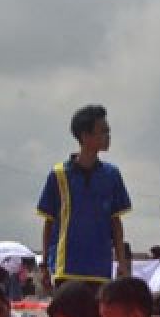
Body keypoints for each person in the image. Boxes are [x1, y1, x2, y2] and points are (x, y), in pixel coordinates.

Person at [37, 104, 132, 287]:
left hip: (100, 268)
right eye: (103, 131)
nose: (108, 136)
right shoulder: (59, 174)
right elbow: (49, 222)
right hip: (66, 267)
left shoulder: (112, 174)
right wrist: (43, 265)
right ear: (85, 136)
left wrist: (121, 262)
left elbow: (116, 223)